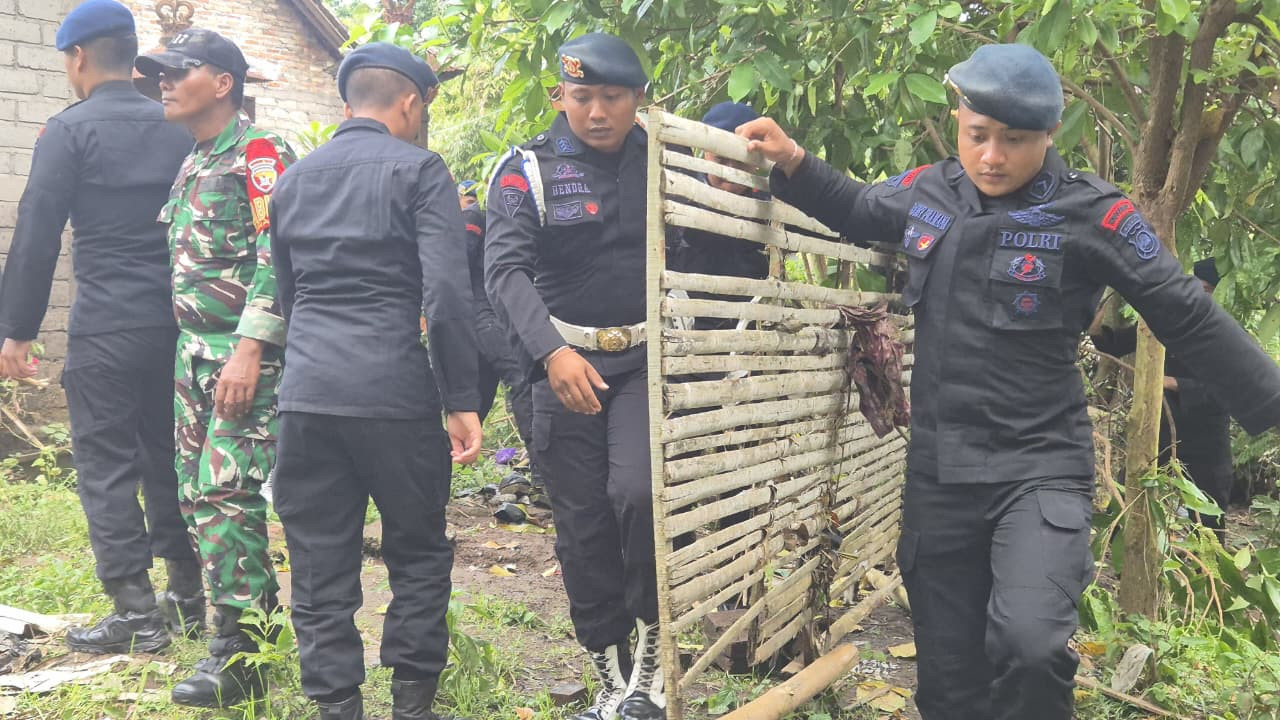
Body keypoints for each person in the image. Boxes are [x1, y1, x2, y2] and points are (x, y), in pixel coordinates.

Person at [737, 43, 1280, 720]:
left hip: (1040, 466)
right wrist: (794, 161)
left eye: (1015, 141)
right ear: (959, 121)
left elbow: (1186, 310)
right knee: (948, 674)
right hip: (940, 474)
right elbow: (857, 207)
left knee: (1030, 645)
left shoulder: (1094, 212)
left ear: (1051, 134)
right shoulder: (928, 191)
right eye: (978, 136)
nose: (992, 157)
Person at [268, 42, 482, 720]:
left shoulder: (294, 179)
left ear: (348, 103)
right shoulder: (421, 171)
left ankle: (337, 707)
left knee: (318, 562)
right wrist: (462, 399)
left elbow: (288, 293)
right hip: (392, 392)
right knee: (417, 552)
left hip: (306, 394)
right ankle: (411, 708)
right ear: (411, 102)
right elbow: (447, 296)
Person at [0, 0, 203, 654]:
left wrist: (18, 329)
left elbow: (35, 235)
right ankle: (188, 598)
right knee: (167, 459)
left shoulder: (68, 131)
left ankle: (138, 619)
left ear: (79, 57)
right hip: (174, 325)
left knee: (107, 467)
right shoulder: (178, 127)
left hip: (106, 328)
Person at [485, 32, 665, 720]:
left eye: (612, 97)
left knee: (640, 495)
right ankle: (608, 678)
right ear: (559, 96)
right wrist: (551, 354)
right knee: (583, 522)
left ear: (636, 99)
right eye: (581, 96)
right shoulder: (525, 168)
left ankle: (650, 670)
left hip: (648, 358)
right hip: (563, 363)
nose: (596, 112)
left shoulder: (666, 164)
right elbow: (503, 270)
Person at [134, 28, 294, 708]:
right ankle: (239, 631)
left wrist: (251, 349)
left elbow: (279, 256)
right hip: (192, 358)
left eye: (179, 71)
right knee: (198, 497)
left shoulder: (260, 153)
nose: (165, 83)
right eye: (159, 74)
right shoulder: (196, 159)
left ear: (223, 82)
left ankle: (243, 654)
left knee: (227, 497)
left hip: (241, 359)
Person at [1092, 257, 1234, 539]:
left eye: (1207, 291)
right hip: (1160, 426)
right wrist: (1094, 320)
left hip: (1205, 437)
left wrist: (1170, 382)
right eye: (1197, 288)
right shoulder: (1166, 323)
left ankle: (1210, 566)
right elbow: (1113, 344)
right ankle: (1120, 552)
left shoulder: (1226, 334)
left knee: (1210, 506)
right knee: (1131, 485)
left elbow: (1225, 389)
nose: (1199, 297)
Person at [459, 180, 541, 492]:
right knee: (521, 378)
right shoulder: (474, 218)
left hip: (484, 315)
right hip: (483, 314)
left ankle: (437, 471)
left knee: (478, 399)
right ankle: (543, 476)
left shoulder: (485, 219)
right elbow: (462, 262)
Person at [667, 101, 771, 332]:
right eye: (721, 161)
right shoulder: (680, 194)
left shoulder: (769, 206)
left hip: (747, 328)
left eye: (741, 164)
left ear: (756, 164)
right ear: (705, 154)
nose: (730, 174)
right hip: (687, 326)